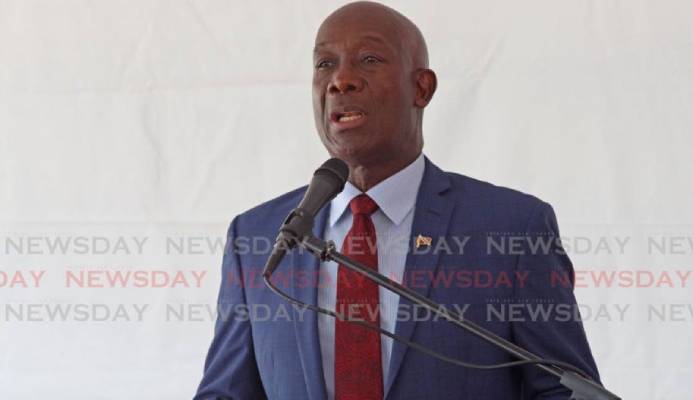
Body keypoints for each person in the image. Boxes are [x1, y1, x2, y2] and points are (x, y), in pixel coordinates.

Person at [194, 2, 600, 399]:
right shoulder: (258, 238)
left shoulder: (512, 228)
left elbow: (566, 391)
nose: (341, 80)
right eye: (324, 64)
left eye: (369, 59)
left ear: (421, 88)